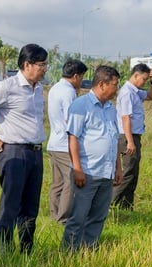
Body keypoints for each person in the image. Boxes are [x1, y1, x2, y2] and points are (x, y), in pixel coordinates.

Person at [0, 43, 48, 254]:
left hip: (36, 153)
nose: (45, 68)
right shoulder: (7, 87)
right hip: (14, 152)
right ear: (27, 64)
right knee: (11, 204)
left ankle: (27, 249)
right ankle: (6, 250)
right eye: (42, 64)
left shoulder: (38, 89)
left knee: (31, 205)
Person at [62, 65, 123, 251]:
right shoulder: (81, 106)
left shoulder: (111, 109)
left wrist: (118, 168)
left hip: (106, 172)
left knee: (98, 216)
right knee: (78, 216)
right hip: (87, 172)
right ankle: (69, 255)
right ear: (102, 84)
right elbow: (73, 139)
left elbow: (114, 139)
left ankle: (89, 251)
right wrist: (77, 169)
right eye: (115, 85)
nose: (117, 89)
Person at [46, 59, 87, 224]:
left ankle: (55, 214)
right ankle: (63, 218)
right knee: (71, 182)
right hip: (65, 144)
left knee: (57, 183)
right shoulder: (69, 92)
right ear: (76, 76)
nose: (82, 81)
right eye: (82, 77)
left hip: (54, 142)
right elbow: (71, 120)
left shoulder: (55, 88)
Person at [111, 63, 152, 210]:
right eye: (143, 79)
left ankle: (126, 206)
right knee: (127, 172)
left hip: (134, 136)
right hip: (126, 136)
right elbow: (126, 118)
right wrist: (130, 142)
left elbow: (151, 96)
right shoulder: (127, 93)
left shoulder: (136, 91)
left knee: (133, 173)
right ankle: (109, 202)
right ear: (135, 75)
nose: (144, 82)